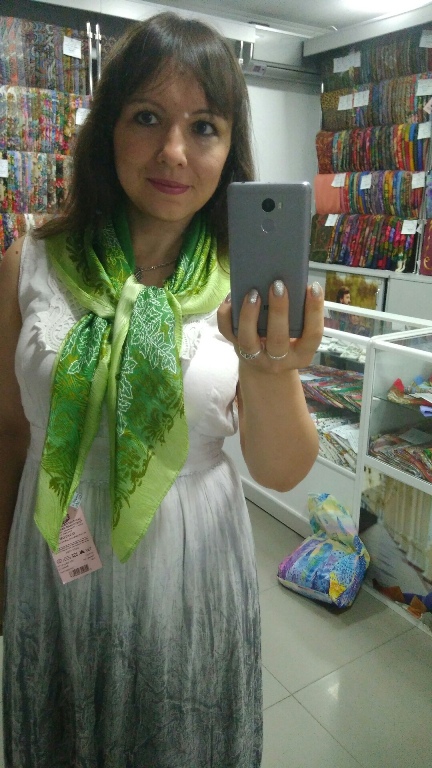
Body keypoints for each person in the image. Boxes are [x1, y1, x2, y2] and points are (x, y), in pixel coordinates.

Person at [0, 12, 323, 768]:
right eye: (147, 117)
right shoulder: (29, 263)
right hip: (52, 558)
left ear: (229, 147)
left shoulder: (244, 284)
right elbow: (8, 431)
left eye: (204, 127)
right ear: (108, 129)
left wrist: (272, 369)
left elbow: (279, 471)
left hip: (191, 568)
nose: (174, 151)